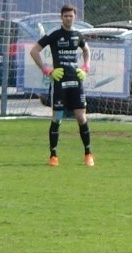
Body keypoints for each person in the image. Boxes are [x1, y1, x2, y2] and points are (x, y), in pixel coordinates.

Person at [29, 4, 93, 167]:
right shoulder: (54, 35)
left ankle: (88, 154)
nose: (68, 18)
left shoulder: (78, 35)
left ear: (75, 17)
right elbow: (34, 51)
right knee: (57, 118)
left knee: (81, 117)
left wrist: (85, 67)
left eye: (71, 16)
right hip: (59, 82)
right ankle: (53, 156)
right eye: (65, 16)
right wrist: (47, 70)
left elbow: (87, 50)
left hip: (76, 81)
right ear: (61, 17)